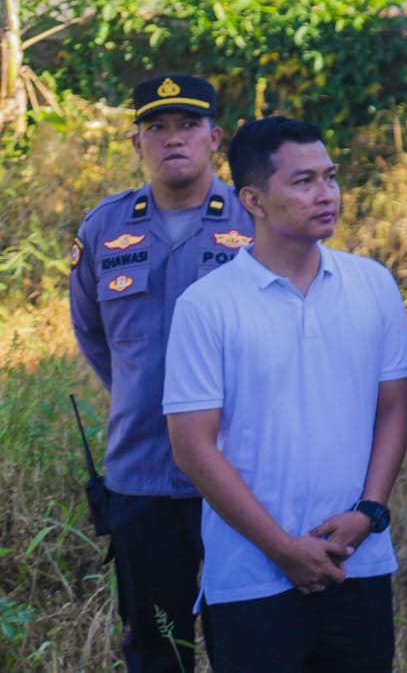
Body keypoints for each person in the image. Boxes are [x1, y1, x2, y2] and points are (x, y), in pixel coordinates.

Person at [164, 116, 407, 672]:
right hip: (252, 576)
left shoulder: (372, 283)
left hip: (358, 561)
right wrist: (281, 546)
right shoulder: (208, 305)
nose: (326, 195)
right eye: (303, 182)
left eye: (330, 177)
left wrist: (368, 512)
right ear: (252, 198)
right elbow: (192, 448)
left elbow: (394, 407)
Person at [68, 73, 254, 673]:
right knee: (155, 645)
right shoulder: (105, 228)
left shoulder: (256, 223)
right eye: (156, 127)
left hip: (239, 471)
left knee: (245, 638)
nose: (172, 139)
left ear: (215, 137)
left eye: (188, 125)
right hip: (141, 476)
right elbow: (94, 335)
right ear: (137, 143)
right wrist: (144, 394)